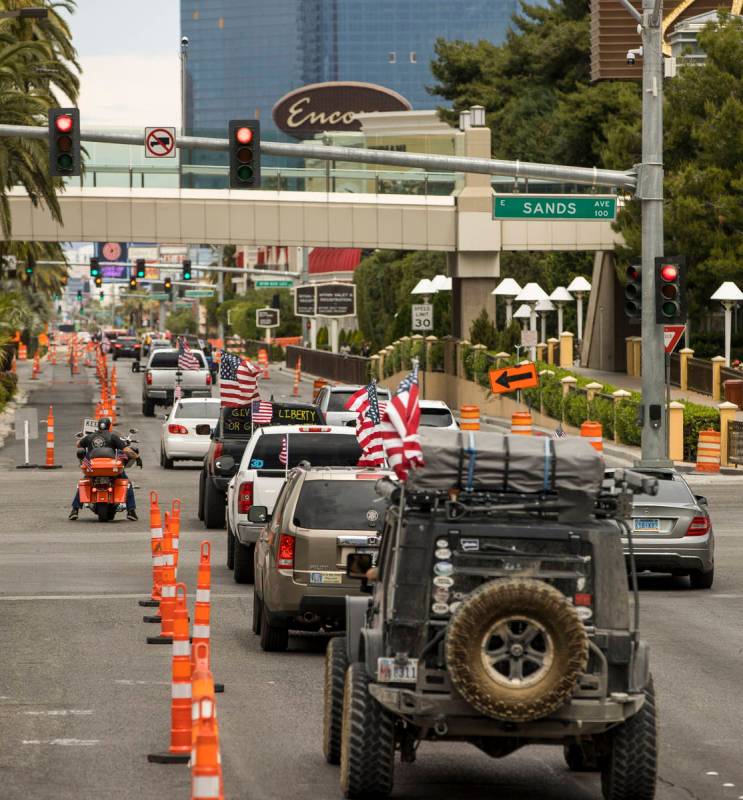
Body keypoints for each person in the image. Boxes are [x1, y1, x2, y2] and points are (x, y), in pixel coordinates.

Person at [69, 418, 138, 521]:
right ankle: (131, 511)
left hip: (93, 468)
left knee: (85, 482)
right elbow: (126, 450)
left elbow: (78, 444)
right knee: (127, 483)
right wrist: (137, 457)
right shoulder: (113, 437)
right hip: (110, 468)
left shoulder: (90, 437)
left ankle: (74, 510)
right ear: (109, 426)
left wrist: (84, 438)